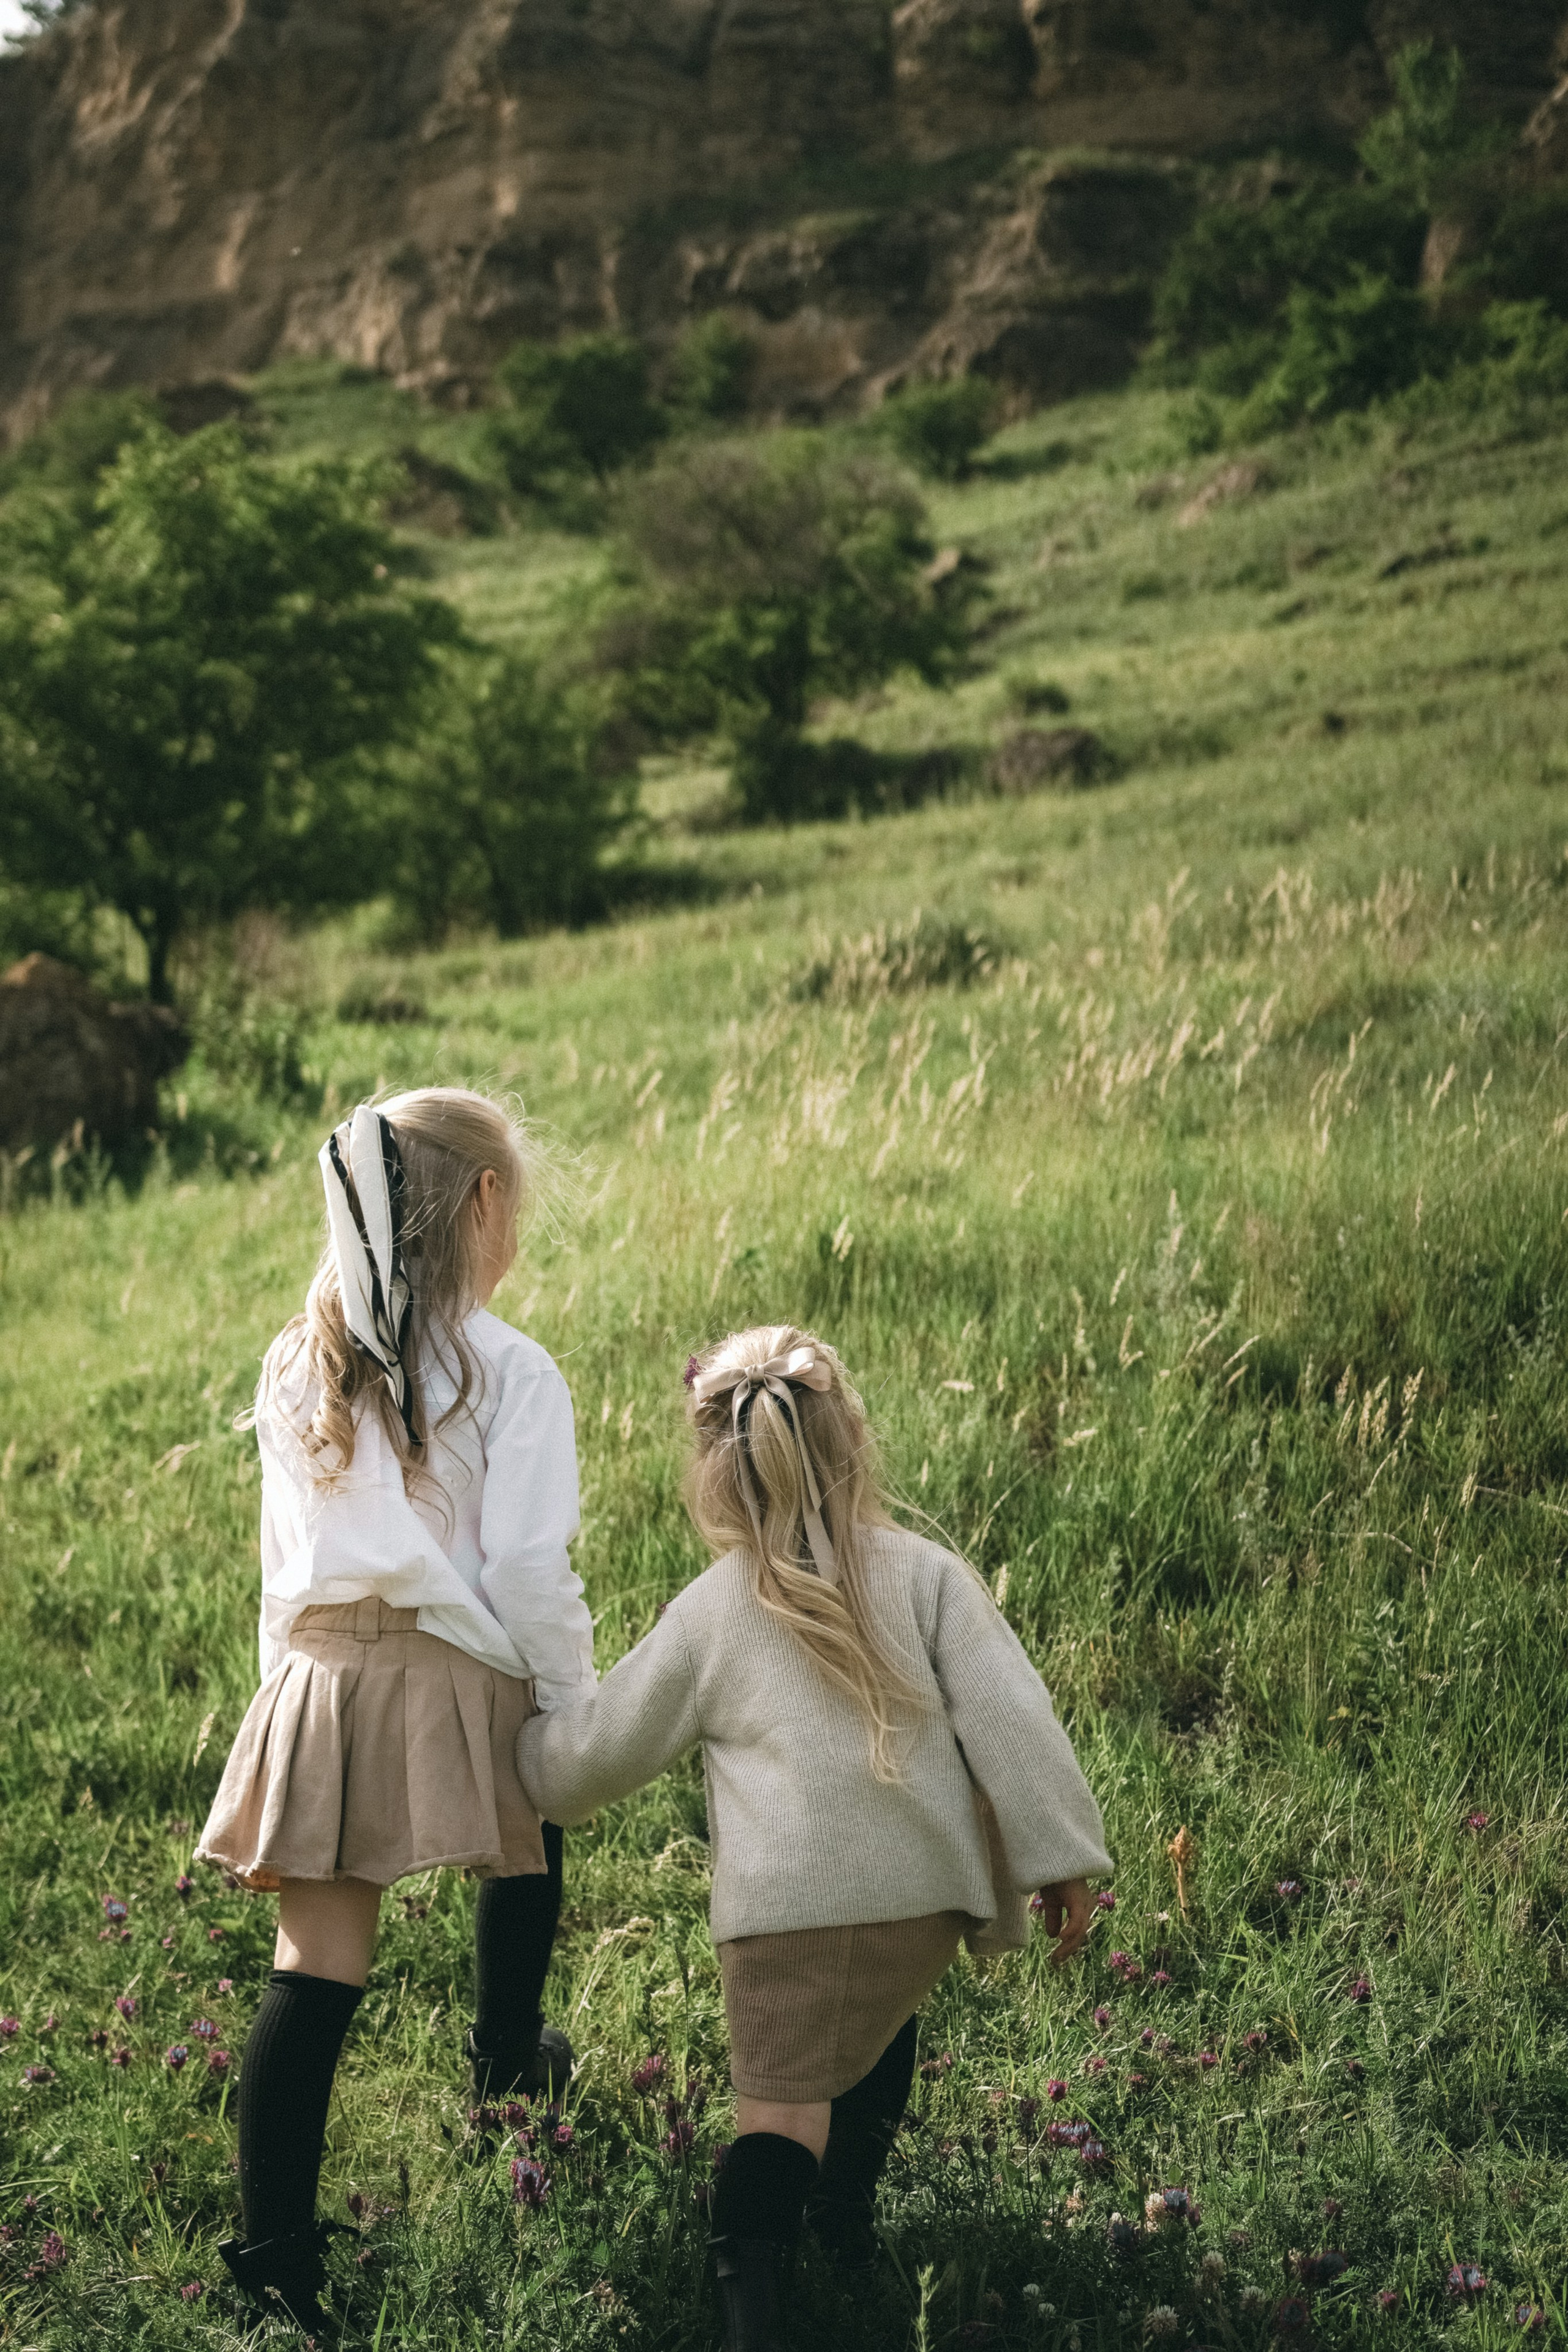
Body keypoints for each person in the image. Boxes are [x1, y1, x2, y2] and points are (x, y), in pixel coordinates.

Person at [516, 1323, 1110, 2352]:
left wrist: (523, 1759)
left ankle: (755, 2318)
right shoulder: (924, 1575)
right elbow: (1015, 1722)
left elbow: (591, 1761)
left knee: (780, 2121)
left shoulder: (712, 1615)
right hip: (921, 1898)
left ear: (716, 1479)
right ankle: (844, 2225)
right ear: (853, 1444)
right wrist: (1062, 1861)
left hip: (789, 1917)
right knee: (874, 2032)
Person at [195, 1088, 595, 2335]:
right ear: (483, 1201)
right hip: (455, 1672)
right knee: (529, 1816)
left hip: (315, 1674)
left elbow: (280, 1560)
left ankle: (272, 2255)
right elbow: (528, 1573)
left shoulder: (293, 1355)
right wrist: (571, 1706)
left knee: (312, 1973)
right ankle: (502, 2056)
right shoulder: (512, 1366)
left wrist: (283, 1698)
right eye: (513, 1201)